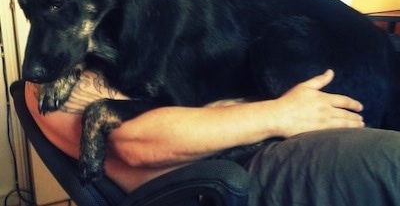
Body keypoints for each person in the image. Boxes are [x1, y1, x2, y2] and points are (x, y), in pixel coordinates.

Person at [25, 69, 400, 206]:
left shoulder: (147, 52)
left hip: (275, 140)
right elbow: (136, 143)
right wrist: (279, 113)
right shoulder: (53, 78)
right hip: (240, 169)